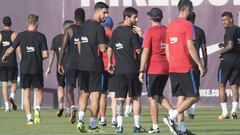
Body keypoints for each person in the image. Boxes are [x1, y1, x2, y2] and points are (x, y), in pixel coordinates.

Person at [164, 0, 206, 134]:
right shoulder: (188, 25)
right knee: (194, 96)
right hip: (185, 67)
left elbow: (167, 49)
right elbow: (190, 46)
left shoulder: (170, 25)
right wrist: (200, 65)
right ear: (187, 9)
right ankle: (171, 116)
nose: (192, 12)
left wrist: (172, 62)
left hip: (173, 67)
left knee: (181, 97)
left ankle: (181, 129)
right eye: (191, 9)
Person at [2, 14, 48, 125]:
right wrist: (37, 57)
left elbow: (11, 49)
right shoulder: (41, 36)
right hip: (36, 69)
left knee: (26, 93)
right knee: (38, 91)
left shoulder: (21, 35)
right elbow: (45, 54)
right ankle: (37, 109)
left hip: (25, 69)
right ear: (36, 23)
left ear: (27, 23)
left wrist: (4, 56)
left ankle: (29, 119)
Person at [108, 7, 146, 133]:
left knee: (119, 98)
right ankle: (136, 125)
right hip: (133, 69)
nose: (137, 19)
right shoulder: (132, 32)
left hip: (119, 70)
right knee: (136, 98)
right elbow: (139, 50)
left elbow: (110, 48)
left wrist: (109, 62)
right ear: (126, 18)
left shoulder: (116, 31)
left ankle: (119, 126)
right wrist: (142, 36)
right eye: (134, 17)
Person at [138, 8, 174, 133]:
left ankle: (155, 127)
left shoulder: (150, 31)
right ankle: (173, 114)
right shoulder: (167, 30)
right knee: (158, 95)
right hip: (166, 68)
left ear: (150, 18)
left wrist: (141, 71)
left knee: (152, 98)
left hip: (153, 68)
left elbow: (146, 52)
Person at [76, 2, 108, 133]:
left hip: (82, 65)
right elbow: (102, 48)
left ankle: (80, 120)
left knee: (83, 94)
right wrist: (107, 45)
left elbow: (78, 43)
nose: (106, 16)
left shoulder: (83, 26)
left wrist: (83, 55)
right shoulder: (99, 28)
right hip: (95, 66)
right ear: (97, 11)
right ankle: (93, 125)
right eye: (104, 13)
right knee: (95, 96)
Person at [58, 8, 85, 123]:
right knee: (81, 90)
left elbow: (63, 48)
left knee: (69, 87)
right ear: (84, 17)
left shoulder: (69, 30)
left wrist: (59, 63)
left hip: (71, 63)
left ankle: (72, 107)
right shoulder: (87, 28)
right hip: (84, 63)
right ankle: (80, 112)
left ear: (74, 18)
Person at [45, 20, 74, 117]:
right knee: (69, 88)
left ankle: (61, 106)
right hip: (71, 67)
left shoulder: (56, 39)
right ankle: (69, 110)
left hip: (59, 66)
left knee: (61, 86)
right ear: (69, 28)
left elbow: (52, 54)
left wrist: (49, 67)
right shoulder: (73, 38)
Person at [218, 11, 240, 120]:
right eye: (222, 21)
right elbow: (235, 44)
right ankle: (234, 112)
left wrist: (222, 51)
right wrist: (224, 45)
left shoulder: (230, 30)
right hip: (237, 61)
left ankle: (225, 112)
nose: (223, 22)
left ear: (231, 19)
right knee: (234, 86)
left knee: (221, 84)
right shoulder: (238, 29)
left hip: (227, 61)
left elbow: (230, 46)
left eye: (225, 20)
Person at [187, 12, 208, 119]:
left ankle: (182, 112)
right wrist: (205, 64)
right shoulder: (199, 31)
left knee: (184, 89)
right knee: (195, 88)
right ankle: (191, 112)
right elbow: (204, 50)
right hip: (195, 64)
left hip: (184, 63)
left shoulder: (183, 30)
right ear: (194, 19)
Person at [98, 16, 117, 127]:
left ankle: (103, 118)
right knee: (114, 95)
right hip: (114, 67)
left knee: (102, 95)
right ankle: (114, 119)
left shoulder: (99, 34)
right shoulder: (114, 33)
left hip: (102, 67)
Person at [0, 16, 20, 112]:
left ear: (3, 24)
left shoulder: (0, 34)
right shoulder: (14, 34)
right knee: (13, 82)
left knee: (4, 84)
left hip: (2, 62)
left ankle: (7, 107)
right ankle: (12, 96)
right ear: (10, 23)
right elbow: (18, 48)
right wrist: (21, 59)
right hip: (12, 62)